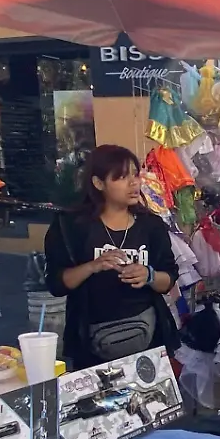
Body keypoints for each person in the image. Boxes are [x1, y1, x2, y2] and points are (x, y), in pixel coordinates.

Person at [44, 145, 179, 370]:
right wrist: (92, 266)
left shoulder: (151, 225)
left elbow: (169, 279)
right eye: (122, 177)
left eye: (135, 175)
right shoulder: (70, 227)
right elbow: (57, 283)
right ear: (99, 184)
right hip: (92, 344)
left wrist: (149, 275)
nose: (134, 183)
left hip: (148, 340)